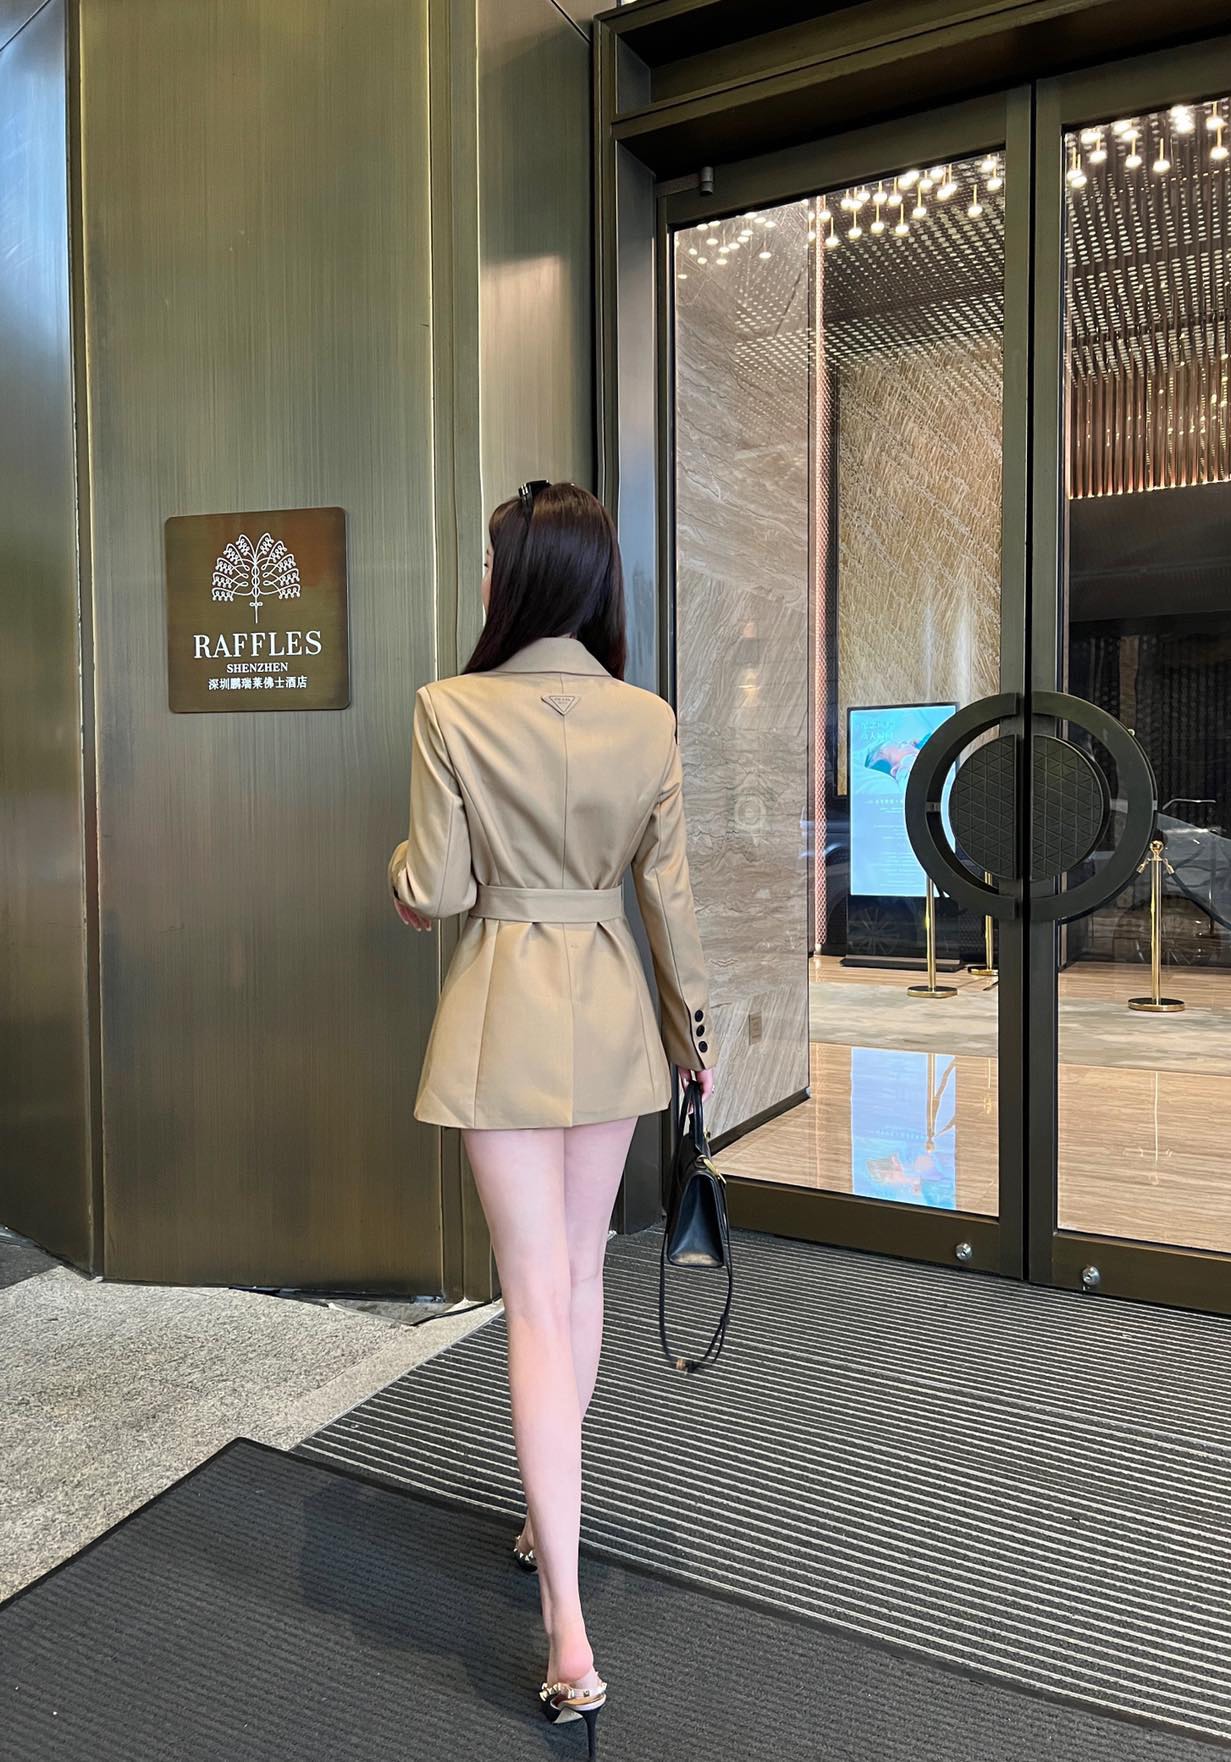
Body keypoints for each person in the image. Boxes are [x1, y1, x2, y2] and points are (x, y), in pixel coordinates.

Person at [388, 479, 718, 1756]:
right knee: (576, 1283)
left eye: (490, 559)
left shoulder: (449, 707)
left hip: (501, 1016)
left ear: (519, 576)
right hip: (613, 1013)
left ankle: (567, 1630)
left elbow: (435, 885)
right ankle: (547, 1516)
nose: (482, 577)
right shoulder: (648, 718)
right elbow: (670, 901)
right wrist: (693, 1042)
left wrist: (401, 881)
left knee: (530, 1298)